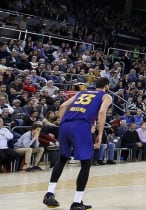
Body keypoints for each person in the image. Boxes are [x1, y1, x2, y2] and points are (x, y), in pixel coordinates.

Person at [42, 77, 113, 210]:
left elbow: (63, 106)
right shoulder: (106, 96)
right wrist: (99, 134)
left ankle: (49, 193)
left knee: (62, 158)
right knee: (86, 163)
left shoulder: (82, 92)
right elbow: (102, 112)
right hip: (80, 126)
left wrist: (63, 122)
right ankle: (76, 202)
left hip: (65, 125)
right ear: (107, 86)